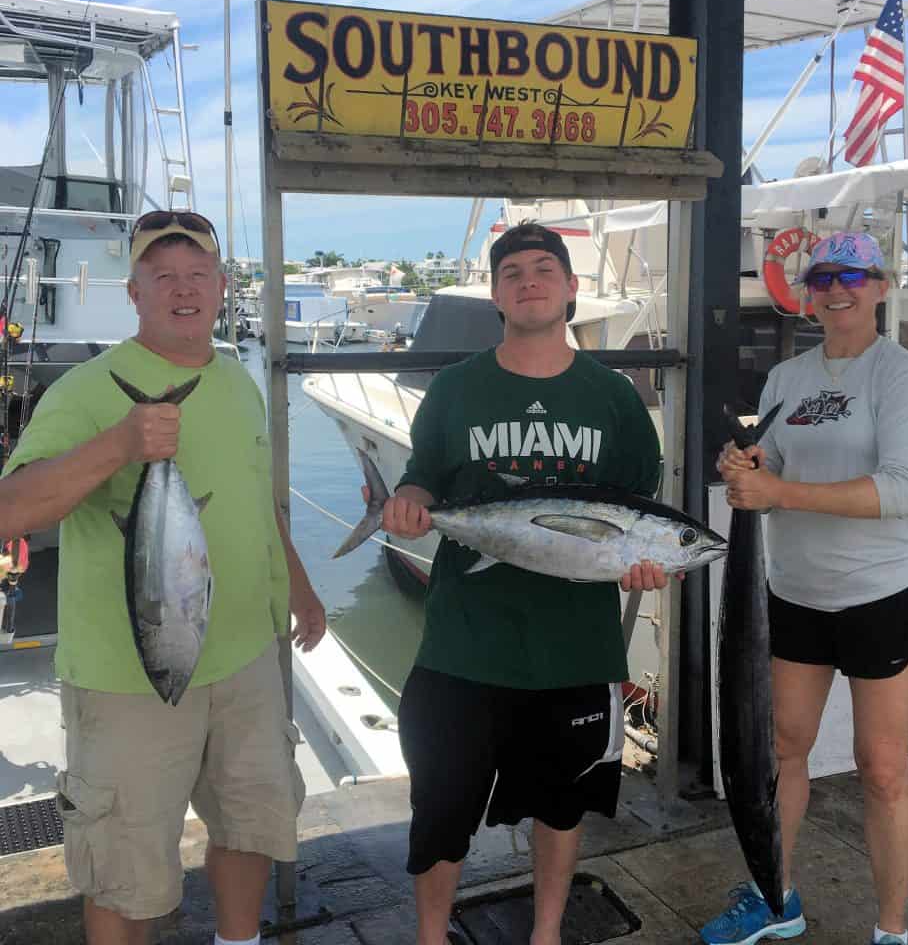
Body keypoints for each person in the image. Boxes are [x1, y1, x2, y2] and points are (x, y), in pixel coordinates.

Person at [0, 210, 326, 945]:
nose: (184, 290)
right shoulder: (85, 391)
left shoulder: (238, 380)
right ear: (134, 293)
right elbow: (10, 512)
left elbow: (256, 500)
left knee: (249, 823)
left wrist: (299, 588)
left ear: (220, 287)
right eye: (163, 277)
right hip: (130, 681)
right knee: (125, 866)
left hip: (246, 664)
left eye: (197, 275)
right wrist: (121, 442)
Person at [375, 221, 670, 945]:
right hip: (462, 647)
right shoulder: (453, 388)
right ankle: (430, 936)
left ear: (571, 288)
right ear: (495, 293)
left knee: (561, 807)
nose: (528, 280)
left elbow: (638, 508)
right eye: (512, 272)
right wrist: (410, 500)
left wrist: (646, 562)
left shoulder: (613, 397)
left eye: (544, 268)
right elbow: (425, 472)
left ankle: (545, 936)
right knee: (440, 808)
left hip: (574, 652)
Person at [702, 232, 908, 945]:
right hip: (795, 593)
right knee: (780, 749)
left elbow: (901, 492)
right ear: (804, 293)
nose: (834, 290)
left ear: (878, 285)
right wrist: (743, 467)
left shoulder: (899, 376)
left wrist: (779, 488)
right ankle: (774, 897)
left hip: (886, 592)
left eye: (850, 276)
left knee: (882, 767)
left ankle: (891, 931)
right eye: (819, 279)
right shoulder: (788, 378)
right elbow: (765, 475)